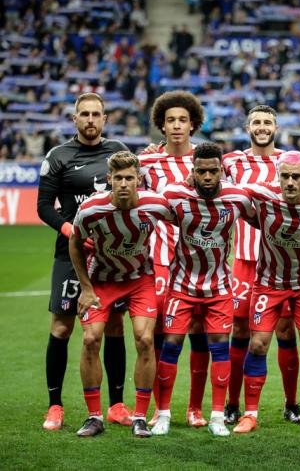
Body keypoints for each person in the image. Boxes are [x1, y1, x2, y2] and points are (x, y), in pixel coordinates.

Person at [37, 92, 131, 431]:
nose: (91, 119)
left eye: (97, 114)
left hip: (112, 257)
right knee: (62, 328)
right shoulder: (58, 156)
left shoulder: (118, 151)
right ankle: (55, 406)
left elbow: (133, 191)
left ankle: (118, 405)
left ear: (105, 119)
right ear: (74, 119)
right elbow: (44, 206)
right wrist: (71, 230)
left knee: (115, 327)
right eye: (84, 114)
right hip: (70, 255)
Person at [232, 151, 300, 435]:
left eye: (296, 177)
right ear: (277, 176)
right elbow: (231, 196)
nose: (290, 182)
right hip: (268, 283)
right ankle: (250, 414)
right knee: (257, 345)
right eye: (285, 176)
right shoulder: (262, 193)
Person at [151, 143, 257, 437]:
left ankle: (217, 416)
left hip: (220, 286)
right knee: (170, 345)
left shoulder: (237, 197)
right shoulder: (174, 196)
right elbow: (148, 213)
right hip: (181, 285)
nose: (208, 176)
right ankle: (163, 414)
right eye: (202, 171)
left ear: (221, 170)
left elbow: (260, 218)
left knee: (219, 347)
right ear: (192, 172)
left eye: (213, 171)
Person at [69, 151, 173, 437]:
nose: (124, 183)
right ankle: (94, 416)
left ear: (139, 180)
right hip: (101, 280)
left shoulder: (155, 204)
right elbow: (75, 243)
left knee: (144, 338)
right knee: (91, 339)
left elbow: (184, 221)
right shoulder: (91, 209)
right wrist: (86, 289)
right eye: (118, 178)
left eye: (129, 178)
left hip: (140, 279)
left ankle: (140, 416)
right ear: (109, 180)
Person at [221, 105, 300, 425]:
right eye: (256, 122)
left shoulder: (291, 161)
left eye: (268, 122)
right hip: (244, 260)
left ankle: (292, 403)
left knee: (285, 329)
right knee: (240, 329)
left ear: (276, 127)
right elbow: (199, 168)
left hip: (282, 263)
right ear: (247, 127)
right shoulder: (232, 162)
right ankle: (232, 403)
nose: (262, 127)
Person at [140, 90, 210, 427]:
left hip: (199, 263)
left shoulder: (208, 162)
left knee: (199, 333)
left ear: (193, 124)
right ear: (161, 125)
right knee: (158, 337)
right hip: (158, 262)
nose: (177, 126)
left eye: (183, 120)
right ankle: (160, 407)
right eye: (171, 120)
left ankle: (195, 408)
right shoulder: (147, 163)